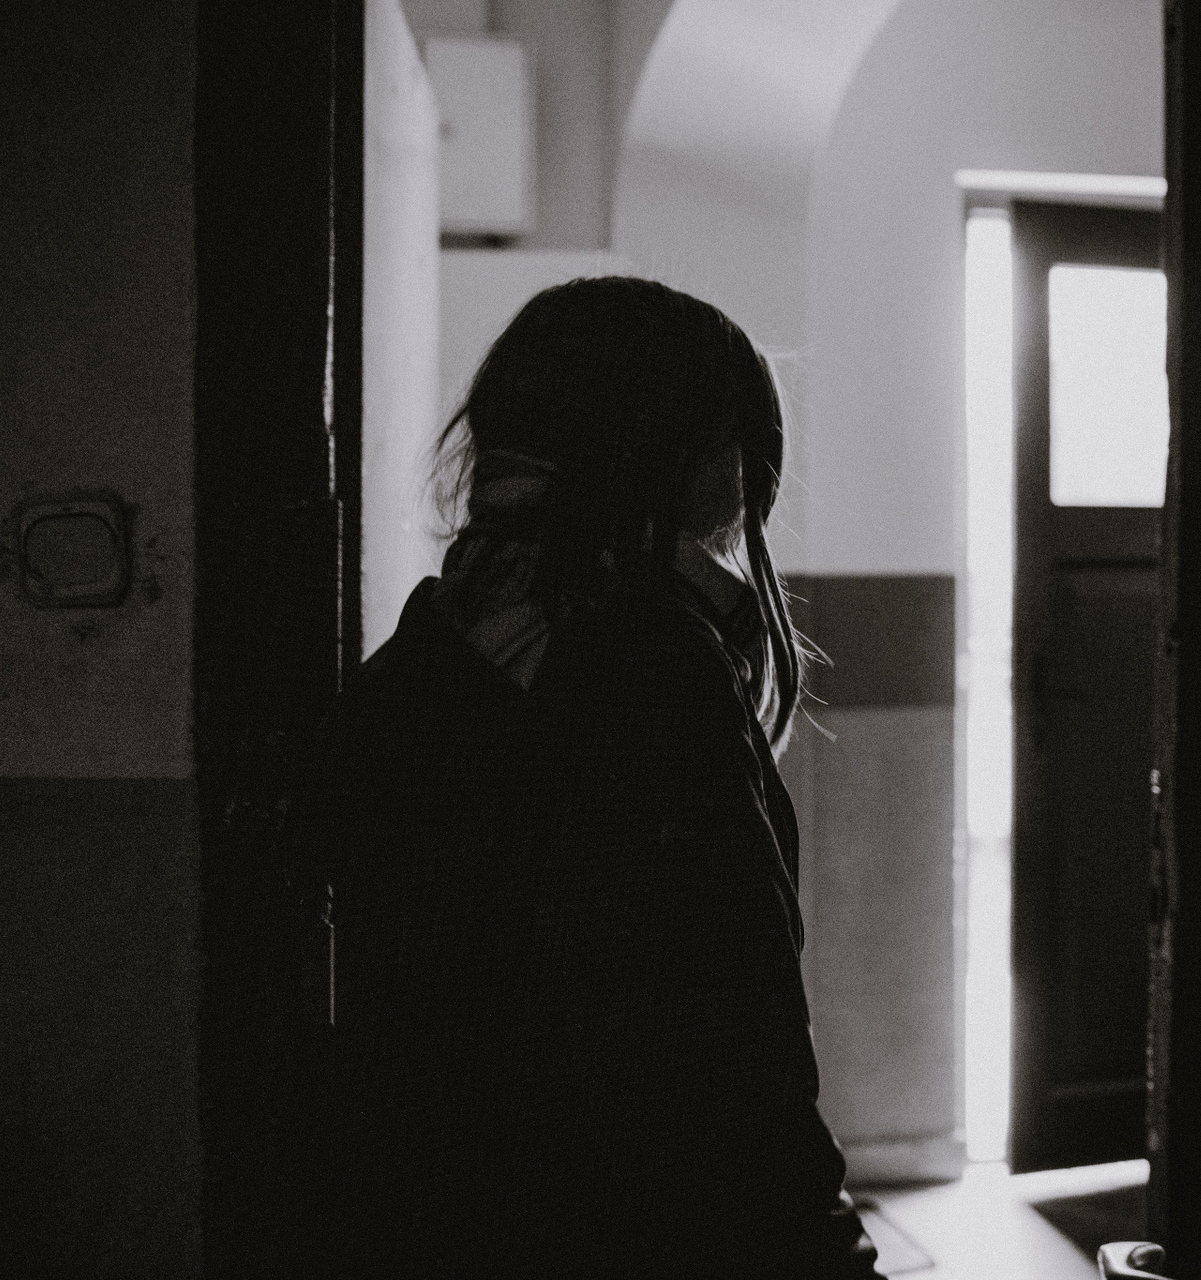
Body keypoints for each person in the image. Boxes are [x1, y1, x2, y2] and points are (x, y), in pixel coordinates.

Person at [291, 277, 880, 1277]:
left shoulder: (427, 653)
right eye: (735, 443)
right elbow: (730, 1066)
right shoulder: (651, 669)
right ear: (683, 452)